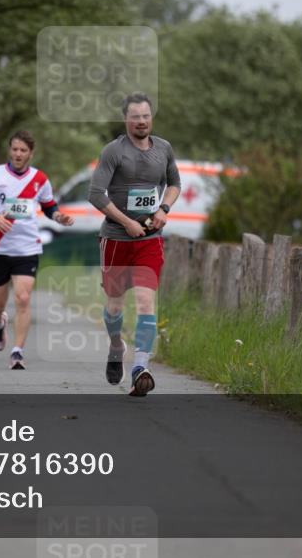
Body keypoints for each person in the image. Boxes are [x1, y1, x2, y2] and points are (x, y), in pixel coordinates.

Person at [88, 93, 180, 396]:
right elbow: (96, 194)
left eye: (146, 116)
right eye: (135, 117)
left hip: (149, 239)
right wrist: (126, 222)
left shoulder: (164, 148)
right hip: (116, 238)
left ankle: (141, 367)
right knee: (114, 306)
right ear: (126, 120)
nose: (141, 121)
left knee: (144, 302)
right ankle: (116, 347)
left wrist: (163, 210)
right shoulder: (114, 151)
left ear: (151, 117)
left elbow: (174, 184)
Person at [0, 131, 74, 369]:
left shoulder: (40, 179)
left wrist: (59, 217)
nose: (18, 154)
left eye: (23, 150)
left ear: (30, 154)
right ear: (10, 150)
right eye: (14, 149)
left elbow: (48, 206)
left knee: (23, 298)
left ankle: (17, 352)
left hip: (27, 247)